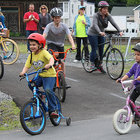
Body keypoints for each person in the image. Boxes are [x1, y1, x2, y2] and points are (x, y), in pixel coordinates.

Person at [19, 33, 58, 118]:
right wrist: (23, 72)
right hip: (40, 76)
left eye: (34, 45)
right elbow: (27, 65)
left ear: (40, 45)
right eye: (30, 45)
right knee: (31, 84)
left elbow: (51, 59)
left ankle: (53, 110)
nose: (31, 46)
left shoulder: (44, 52)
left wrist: (50, 64)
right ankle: (40, 95)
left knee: (47, 89)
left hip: (49, 75)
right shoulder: (31, 55)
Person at [43, 7, 76, 88]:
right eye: (55, 17)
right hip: (51, 44)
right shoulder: (49, 26)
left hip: (60, 45)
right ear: (52, 18)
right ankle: (51, 77)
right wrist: (43, 46)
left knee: (62, 62)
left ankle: (63, 80)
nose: (57, 19)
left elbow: (69, 36)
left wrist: (73, 45)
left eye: (58, 17)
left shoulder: (64, 26)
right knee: (54, 58)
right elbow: (44, 36)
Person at [88, 1, 123, 73]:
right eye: (104, 8)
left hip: (102, 33)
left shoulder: (108, 16)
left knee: (101, 50)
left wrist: (120, 31)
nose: (105, 10)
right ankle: (92, 64)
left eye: (106, 8)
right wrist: (99, 32)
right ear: (100, 9)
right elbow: (95, 25)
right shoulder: (96, 15)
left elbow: (114, 23)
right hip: (93, 33)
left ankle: (100, 65)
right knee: (94, 49)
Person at [116, 43, 140, 110]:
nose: (136, 56)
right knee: (131, 100)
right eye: (135, 54)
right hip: (137, 87)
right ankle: (135, 116)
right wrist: (122, 80)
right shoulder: (135, 65)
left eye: (138, 55)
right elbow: (129, 73)